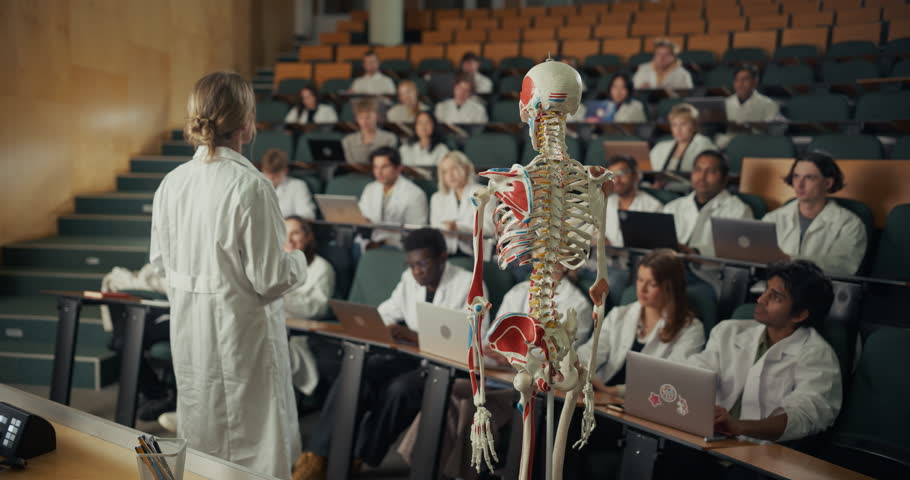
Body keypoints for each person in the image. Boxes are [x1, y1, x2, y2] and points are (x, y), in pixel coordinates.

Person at [150, 71, 307, 479]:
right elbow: (271, 279)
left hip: (192, 338)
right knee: (252, 455)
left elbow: (162, 265)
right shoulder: (251, 186)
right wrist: (300, 260)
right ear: (247, 123)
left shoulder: (171, 184)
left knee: (204, 447)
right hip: (243, 343)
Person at [293, 229, 485, 480]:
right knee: (360, 372)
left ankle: (358, 456)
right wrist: (383, 327)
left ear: (442, 258)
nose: (417, 271)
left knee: (399, 390)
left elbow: (473, 341)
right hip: (413, 358)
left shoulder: (469, 285)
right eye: (412, 265)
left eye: (423, 264)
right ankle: (317, 455)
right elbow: (386, 312)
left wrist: (415, 336)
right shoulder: (408, 279)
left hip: (448, 366)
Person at [692, 260, 841, 443]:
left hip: (761, 455)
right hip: (706, 437)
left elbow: (804, 415)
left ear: (800, 314)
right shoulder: (729, 331)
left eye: (776, 297)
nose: (761, 299)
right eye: (766, 290)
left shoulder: (818, 355)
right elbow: (697, 372)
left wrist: (739, 426)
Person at [577, 249, 705, 396]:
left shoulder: (690, 329)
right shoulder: (619, 314)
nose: (642, 289)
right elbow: (591, 352)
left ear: (670, 287)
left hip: (647, 403)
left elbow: (673, 381)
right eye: (640, 280)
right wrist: (576, 370)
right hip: (602, 396)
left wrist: (616, 391)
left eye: (652, 283)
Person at [761, 152, 867, 275]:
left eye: (809, 177)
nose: (799, 185)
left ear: (828, 183)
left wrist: (789, 260)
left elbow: (843, 267)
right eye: (796, 176)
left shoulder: (850, 224)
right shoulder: (773, 218)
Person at [662, 151, 753, 257]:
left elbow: (738, 253)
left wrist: (696, 253)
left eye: (711, 172)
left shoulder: (739, 211)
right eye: (697, 170)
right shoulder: (672, 207)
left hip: (709, 272)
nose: (702, 177)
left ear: (725, 179)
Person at [496, 262, 594, 345]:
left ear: (566, 262)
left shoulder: (579, 305)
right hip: (499, 363)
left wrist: (515, 355)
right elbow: (495, 336)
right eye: (536, 250)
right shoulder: (517, 291)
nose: (539, 258)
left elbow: (561, 354)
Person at [358, 146, 429, 249]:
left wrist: (384, 242)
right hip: (370, 240)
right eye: (375, 167)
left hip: (398, 246)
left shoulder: (415, 194)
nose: (379, 172)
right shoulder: (370, 189)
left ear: (399, 169)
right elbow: (362, 216)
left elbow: (416, 232)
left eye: (384, 167)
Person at [429, 150, 492, 257]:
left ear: (466, 168)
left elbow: (489, 231)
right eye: (445, 172)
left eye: (454, 168)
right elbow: (435, 232)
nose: (450, 175)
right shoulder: (437, 198)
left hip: (475, 254)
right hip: (445, 252)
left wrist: (458, 229)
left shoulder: (484, 193)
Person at [603, 155, 663, 247]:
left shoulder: (653, 207)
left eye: (621, 173)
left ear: (636, 176)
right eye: (612, 175)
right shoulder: (604, 203)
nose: (616, 180)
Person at [649, 103, 718, 173]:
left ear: (695, 125)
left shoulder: (704, 144)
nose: (678, 129)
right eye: (674, 125)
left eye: (683, 124)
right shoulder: (660, 147)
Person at [260, 149, 317, 220]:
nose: (271, 179)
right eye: (268, 173)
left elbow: (307, 215)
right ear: (262, 170)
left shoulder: (297, 186)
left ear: (285, 171)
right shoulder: (254, 184)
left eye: (276, 175)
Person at [341, 98, 398, 167]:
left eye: (368, 117)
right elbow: (351, 164)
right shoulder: (347, 141)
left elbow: (387, 163)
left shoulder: (389, 138)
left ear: (377, 117)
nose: (364, 121)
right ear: (356, 119)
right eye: (361, 118)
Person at [398, 111, 449, 175]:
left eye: (427, 122)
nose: (423, 126)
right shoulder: (405, 148)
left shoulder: (441, 149)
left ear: (434, 125)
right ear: (415, 126)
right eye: (420, 123)